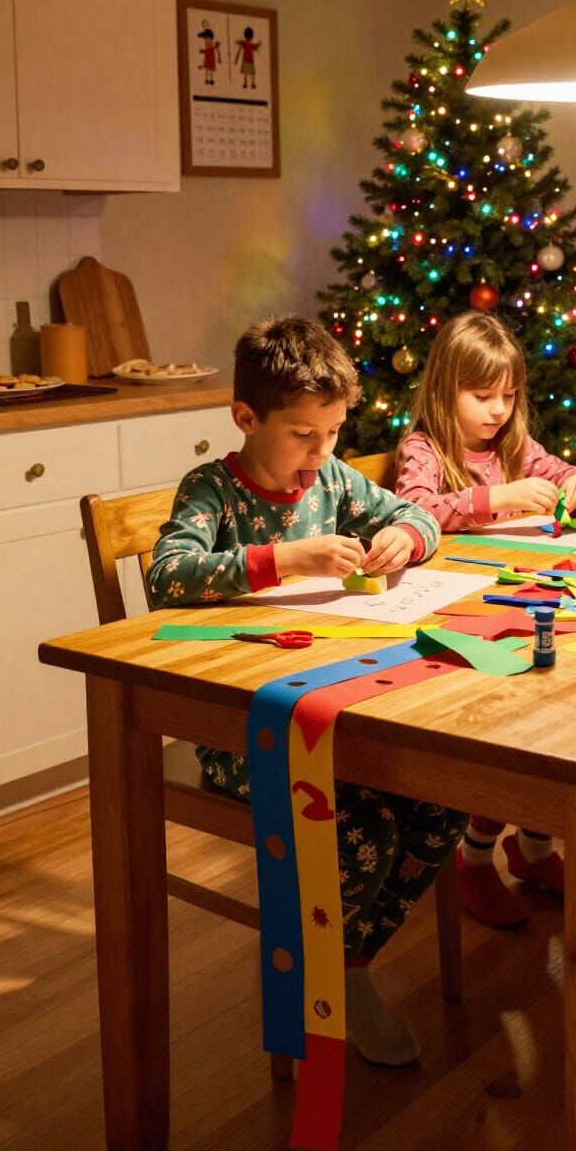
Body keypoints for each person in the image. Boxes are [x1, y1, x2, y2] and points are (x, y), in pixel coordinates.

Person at [147, 314, 466, 1067]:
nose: (320, 453)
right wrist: (282, 558)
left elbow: (417, 512)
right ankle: (330, 972)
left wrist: (407, 537)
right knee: (365, 827)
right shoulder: (213, 492)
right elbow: (167, 575)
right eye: (302, 434)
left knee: (445, 801)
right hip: (244, 731)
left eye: (332, 433)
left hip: (341, 706)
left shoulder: (330, 476)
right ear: (246, 418)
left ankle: (344, 963)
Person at [395, 310, 576, 928]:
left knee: (555, 703)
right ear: (444, 389)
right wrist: (494, 498)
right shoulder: (424, 448)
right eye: (482, 396)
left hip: (518, 597)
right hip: (456, 614)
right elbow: (415, 507)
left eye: (508, 397)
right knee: (512, 725)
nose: (497, 411)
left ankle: (532, 846)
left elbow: (558, 472)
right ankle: (475, 858)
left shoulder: (514, 445)